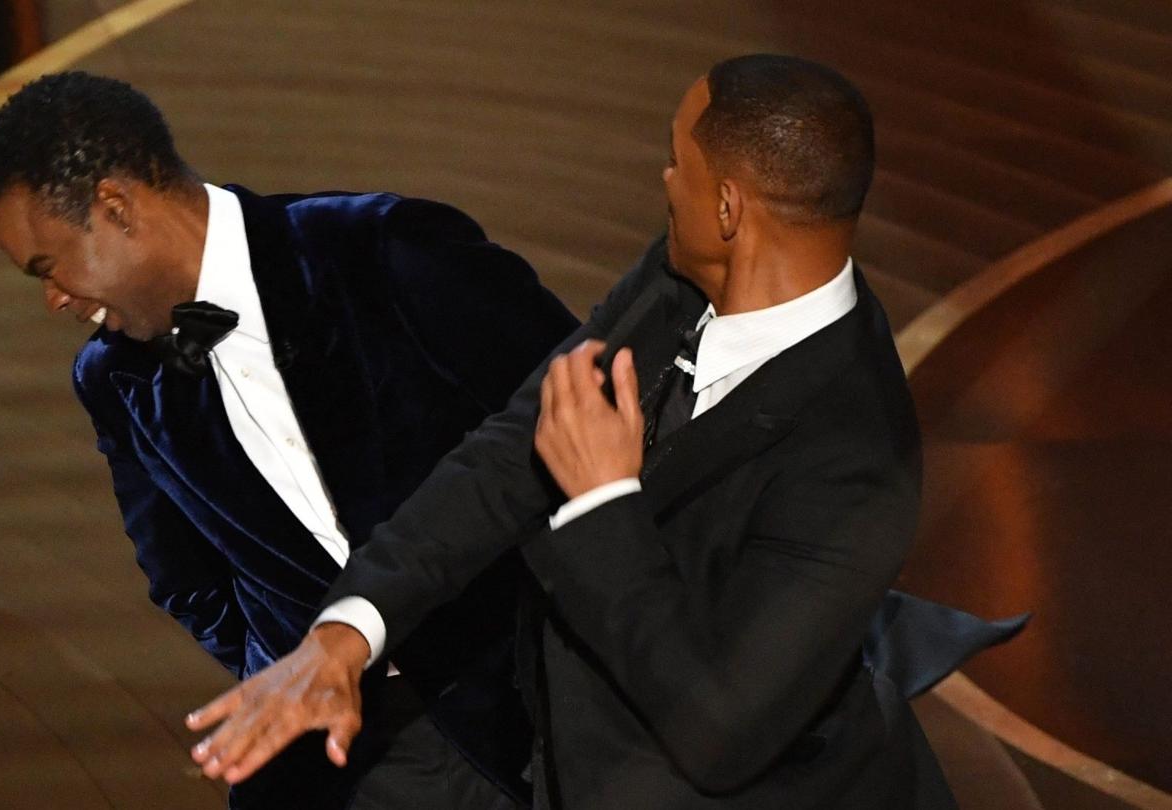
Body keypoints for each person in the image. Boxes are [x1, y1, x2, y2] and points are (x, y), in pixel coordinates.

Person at [185, 54, 1003, 809]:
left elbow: (719, 731)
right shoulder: (682, 275)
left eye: (677, 160)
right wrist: (349, 629)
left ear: (728, 207)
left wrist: (603, 503)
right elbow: (510, 451)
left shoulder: (859, 460)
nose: (664, 178)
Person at [0, 71, 580, 809]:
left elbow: (589, 415)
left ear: (115, 207)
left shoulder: (383, 250)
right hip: (338, 765)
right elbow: (185, 581)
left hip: (535, 709)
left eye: (48, 267)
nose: (53, 299)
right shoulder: (112, 380)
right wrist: (289, 662)